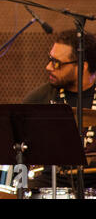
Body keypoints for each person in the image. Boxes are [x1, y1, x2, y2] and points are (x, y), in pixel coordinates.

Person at [23, 29, 96, 190]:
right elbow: (18, 153)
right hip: (52, 181)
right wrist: (19, 186)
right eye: (50, 59)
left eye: (57, 62)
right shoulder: (38, 99)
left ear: (82, 67)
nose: (48, 67)